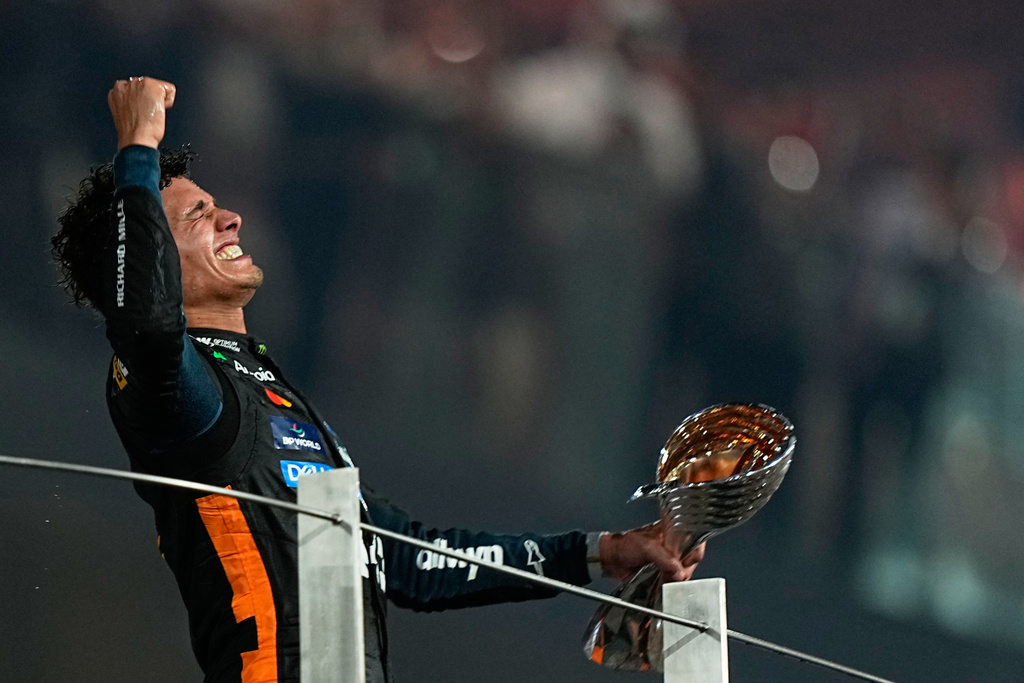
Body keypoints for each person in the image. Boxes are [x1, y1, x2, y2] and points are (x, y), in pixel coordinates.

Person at [51, 77, 706, 683]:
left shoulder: (271, 394)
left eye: (217, 205)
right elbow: (147, 327)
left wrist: (601, 552)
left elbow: (413, 560)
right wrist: (138, 144)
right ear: (150, 257)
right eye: (197, 216)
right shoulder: (177, 397)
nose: (232, 217)